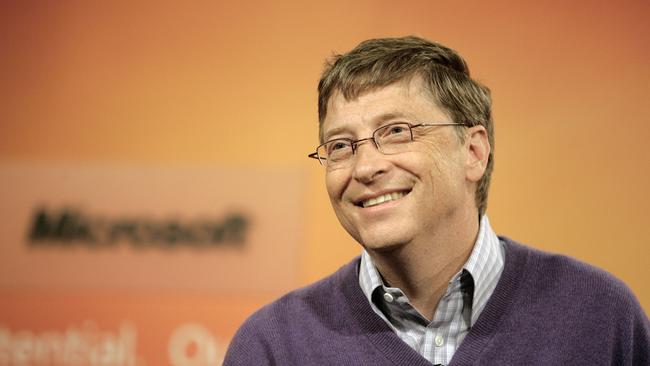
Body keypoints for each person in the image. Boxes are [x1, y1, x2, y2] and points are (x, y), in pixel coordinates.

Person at [223, 36, 649, 365]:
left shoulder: (598, 314)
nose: (365, 167)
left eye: (396, 132)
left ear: (473, 152)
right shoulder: (274, 345)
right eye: (340, 146)